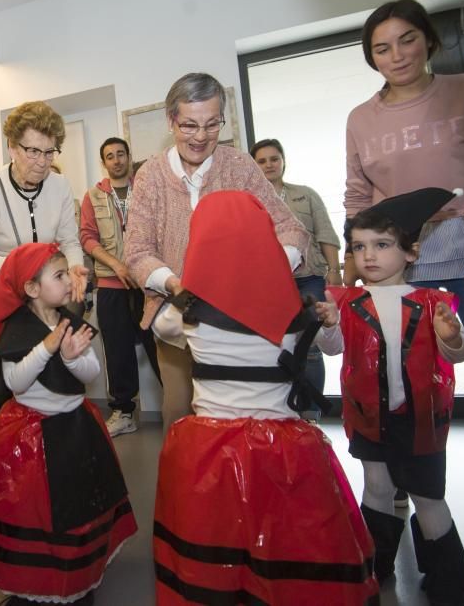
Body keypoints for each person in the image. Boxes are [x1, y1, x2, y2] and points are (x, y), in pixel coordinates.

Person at [151, 192, 377, 606]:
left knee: (219, 540)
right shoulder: (293, 309)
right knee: (287, 544)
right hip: (283, 447)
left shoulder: (187, 312)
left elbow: (163, 330)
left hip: (211, 448)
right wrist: (328, 322)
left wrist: (189, 285)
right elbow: (331, 345)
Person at [343, 0, 464, 487]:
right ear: (371, 58)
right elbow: (358, 196)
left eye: (407, 40)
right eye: (381, 48)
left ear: (428, 39)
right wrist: (354, 255)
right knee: (404, 383)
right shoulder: (361, 118)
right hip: (413, 262)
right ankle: (405, 495)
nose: (397, 55)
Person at [124, 72, 309, 432]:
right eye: (189, 125)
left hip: (240, 326)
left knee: (242, 425)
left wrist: (268, 273)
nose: (201, 136)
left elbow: (291, 230)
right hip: (175, 321)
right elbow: (137, 253)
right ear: (170, 120)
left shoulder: (239, 166)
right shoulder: (150, 175)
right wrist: (177, 286)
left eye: (212, 124)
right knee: (179, 416)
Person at [318, 188, 464, 604]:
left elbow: (461, 353)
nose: (368, 255)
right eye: (359, 246)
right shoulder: (346, 302)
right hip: (367, 415)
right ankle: (376, 564)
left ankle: (448, 577)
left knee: (427, 494)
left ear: (411, 252)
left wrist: (451, 337)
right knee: (376, 485)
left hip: (422, 419)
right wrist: (328, 324)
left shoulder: (435, 302)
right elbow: (333, 348)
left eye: (382, 244)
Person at [0, 243, 137, 606]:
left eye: (67, 273)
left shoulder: (73, 322)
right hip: (32, 435)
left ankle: (80, 574)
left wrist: (71, 357)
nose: (69, 281)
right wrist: (47, 348)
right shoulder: (14, 331)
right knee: (38, 512)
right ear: (32, 289)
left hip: (76, 426)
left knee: (80, 507)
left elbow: (92, 372)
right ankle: (35, 581)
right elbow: (15, 382)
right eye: (59, 275)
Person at [0, 101, 88, 412]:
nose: (42, 162)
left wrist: (75, 268)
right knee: (7, 390)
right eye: (32, 151)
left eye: (49, 152)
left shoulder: (60, 186)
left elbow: (70, 240)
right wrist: (23, 273)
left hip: (45, 302)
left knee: (51, 383)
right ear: (11, 147)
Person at [252, 138, 341, 422]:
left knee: (311, 345)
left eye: (274, 159)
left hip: (309, 278)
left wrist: (335, 273)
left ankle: (310, 415)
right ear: (254, 166)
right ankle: (282, 413)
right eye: (262, 161)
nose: (269, 165)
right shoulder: (250, 202)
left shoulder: (306, 195)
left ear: (283, 161)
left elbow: (325, 233)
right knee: (275, 345)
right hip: (270, 284)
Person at [80, 136, 161, 437]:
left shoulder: (146, 188)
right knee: (117, 350)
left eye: (120, 154)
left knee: (159, 346)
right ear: (104, 162)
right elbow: (87, 238)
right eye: (110, 156)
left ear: (129, 156)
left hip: (149, 283)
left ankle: (180, 408)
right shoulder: (93, 196)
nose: (116, 160)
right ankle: (123, 411)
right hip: (112, 284)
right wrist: (116, 265)